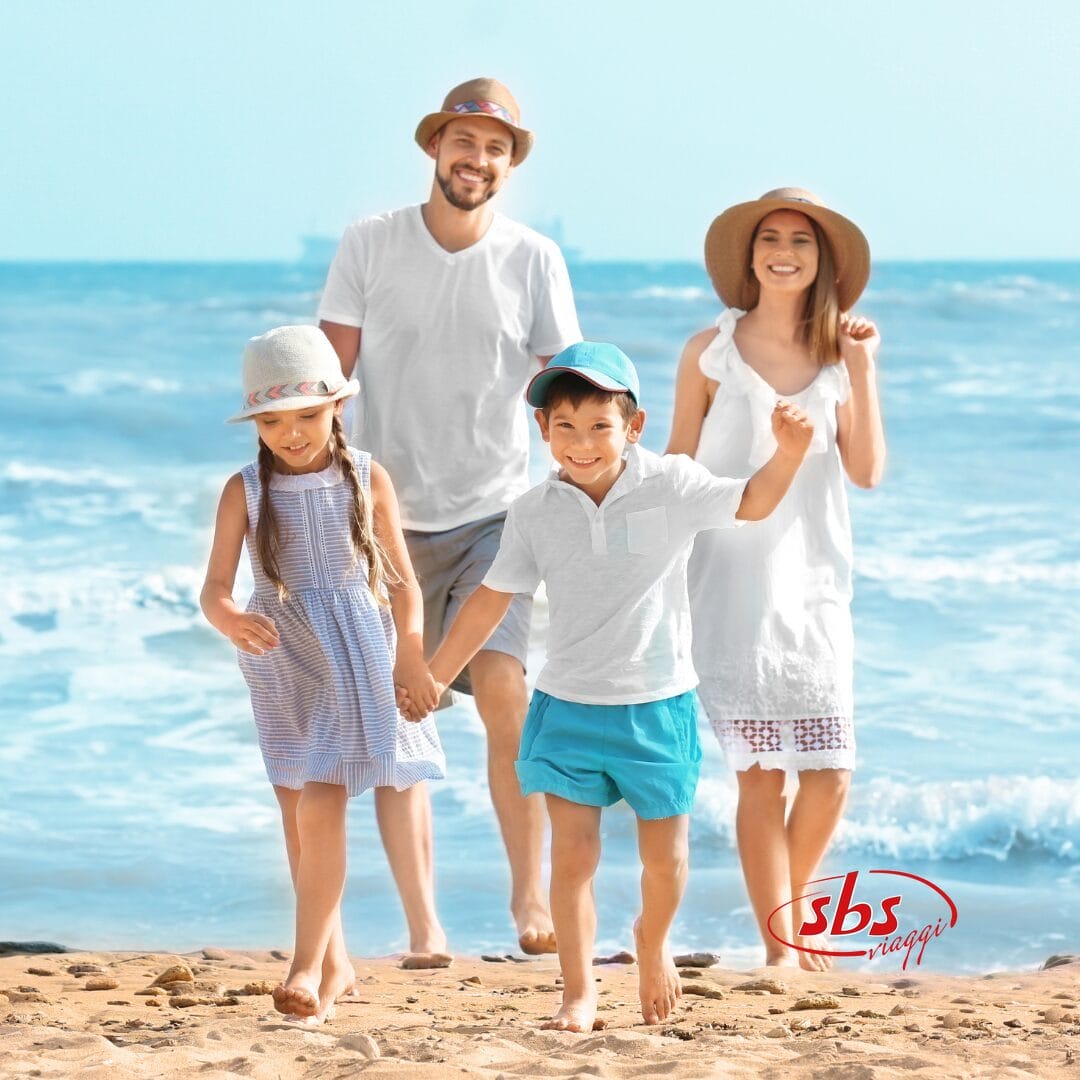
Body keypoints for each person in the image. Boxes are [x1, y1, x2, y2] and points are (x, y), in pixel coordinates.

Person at [408, 341, 815, 1031]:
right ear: (542, 432)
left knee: (668, 859)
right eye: (564, 427)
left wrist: (789, 451)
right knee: (574, 857)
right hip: (567, 707)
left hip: (658, 706)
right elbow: (490, 598)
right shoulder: (534, 511)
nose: (582, 443)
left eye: (599, 426)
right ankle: (578, 991)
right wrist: (436, 673)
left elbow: (753, 501)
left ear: (634, 425)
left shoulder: (672, 484)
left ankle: (651, 941)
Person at [317, 77, 581, 959]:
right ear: (436, 147)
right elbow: (330, 378)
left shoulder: (534, 259)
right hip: (384, 521)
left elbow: (562, 387)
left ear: (510, 163)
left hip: (493, 518)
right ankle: (426, 930)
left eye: (497, 148)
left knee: (505, 694)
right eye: (465, 143)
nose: (478, 160)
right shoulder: (370, 243)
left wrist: (587, 492)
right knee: (403, 717)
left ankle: (529, 900)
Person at [666, 188, 887, 969]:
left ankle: (796, 915)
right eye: (770, 237)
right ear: (749, 254)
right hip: (729, 580)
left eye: (801, 239)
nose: (784, 249)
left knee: (830, 772)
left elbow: (865, 471)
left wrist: (862, 369)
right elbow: (677, 468)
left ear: (822, 259)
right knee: (760, 778)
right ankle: (782, 947)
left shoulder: (839, 357)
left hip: (816, 580)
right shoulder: (708, 353)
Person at [200, 325, 445, 1024]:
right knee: (298, 813)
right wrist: (229, 620)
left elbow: (402, 585)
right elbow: (215, 588)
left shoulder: (366, 478)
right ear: (256, 424)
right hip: (282, 660)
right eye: (273, 421)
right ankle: (335, 962)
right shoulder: (244, 490)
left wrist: (410, 651)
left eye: (307, 415)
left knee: (324, 795)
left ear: (337, 407)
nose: (292, 434)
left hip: (354, 655)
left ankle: (304, 967)